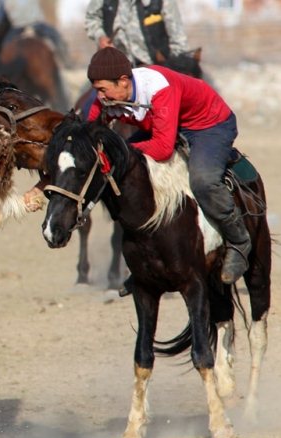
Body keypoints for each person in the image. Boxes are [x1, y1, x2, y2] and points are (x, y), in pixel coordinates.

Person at [85, 47, 250, 285]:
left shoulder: (159, 87)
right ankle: (145, 259)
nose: (100, 97)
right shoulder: (108, 97)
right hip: (166, 127)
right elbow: (88, 134)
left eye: (102, 89)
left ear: (123, 81)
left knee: (203, 181)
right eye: (96, 90)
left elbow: (162, 149)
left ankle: (239, 241)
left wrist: (120, 151)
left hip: (209, 125)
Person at [85, 0, 189, 66]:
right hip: (117, 67)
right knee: (92, 96)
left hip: (156, 66)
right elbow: (91, 18)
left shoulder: (164, 2)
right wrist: (100, 37)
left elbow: (178, 40)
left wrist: (175, 64)